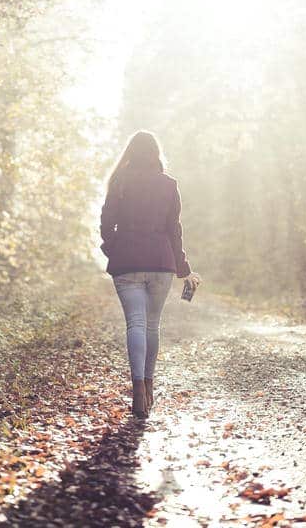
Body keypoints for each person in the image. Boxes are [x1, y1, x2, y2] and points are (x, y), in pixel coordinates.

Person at [99, 131, 201, 419]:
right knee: (152, 325)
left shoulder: (119, 182)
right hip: (161, 262)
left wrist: (113, 248)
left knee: (136, 323)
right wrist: (183, 268)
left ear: (130, 153)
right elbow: (174, 230)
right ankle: (148, 384)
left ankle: (138, 391)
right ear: (156, 153)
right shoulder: (168, 185)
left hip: (127, 261)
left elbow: (106, 224)